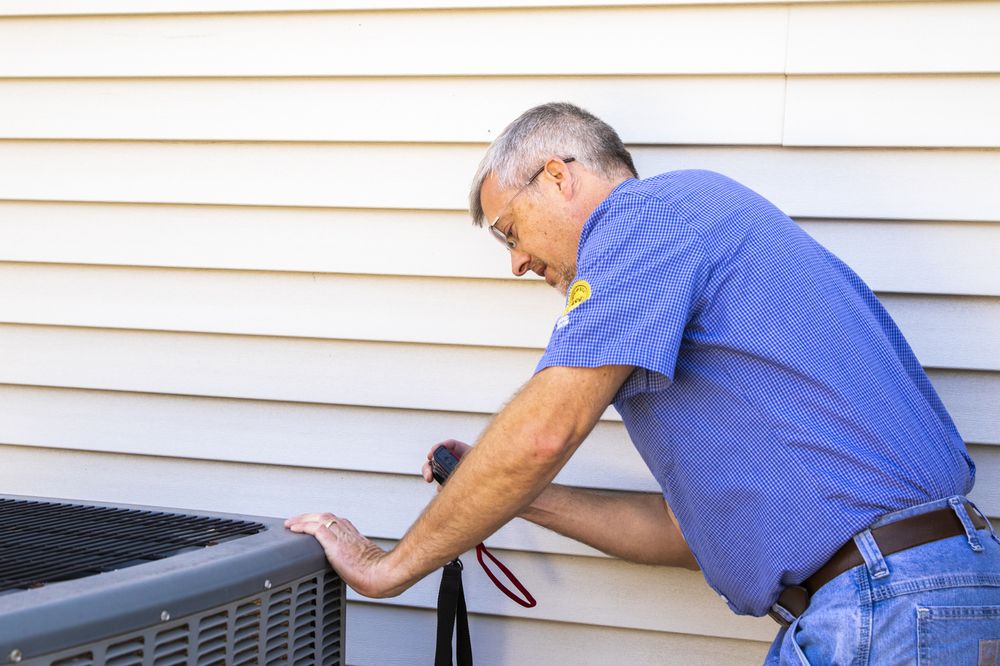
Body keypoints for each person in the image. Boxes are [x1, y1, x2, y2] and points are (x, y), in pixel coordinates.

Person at [286, 103, 1000, 663]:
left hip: (885, 600)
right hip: (930, 588)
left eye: (510, 232)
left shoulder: (644, 216)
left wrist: (388, 569)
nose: (517, 264)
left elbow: (543, 430)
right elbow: (688, 532)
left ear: (559, 176)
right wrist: (510, 495)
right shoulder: (703, 238)